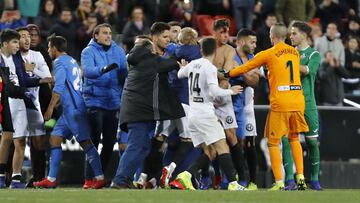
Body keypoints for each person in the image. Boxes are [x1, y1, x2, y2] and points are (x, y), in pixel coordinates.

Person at [224, 23, 309, 190]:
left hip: (281, 101)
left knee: (272, 142)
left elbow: (245, 67)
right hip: (298, 100)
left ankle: (279, 182)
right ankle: (300, 178)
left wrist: (228, 73)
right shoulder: (295, 53)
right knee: (294, 138)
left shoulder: (268, 53)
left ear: (272, 36)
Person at [169, 37, 245, 191]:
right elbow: (214, 91)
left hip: (193, 115)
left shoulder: (192, 64)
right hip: (205, 113)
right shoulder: (209, 68)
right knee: (222, 146)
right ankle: (233, 184)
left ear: (201, 50)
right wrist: (231, 91)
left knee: (211, 151)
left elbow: (179, 74)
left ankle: (184, 176)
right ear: (215, 51)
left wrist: (183, 66)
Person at [111, 38, 185, 189]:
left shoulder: (138, 60)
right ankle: (119, 179)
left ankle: (124, 179)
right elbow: (169, 63)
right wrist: (178, 59)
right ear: (148, 50)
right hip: (138, 112)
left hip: (138, 110)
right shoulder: (150, 60)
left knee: (143, 147)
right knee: (136, 145)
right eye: (153, 49)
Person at [33, 35, 105, 189]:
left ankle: (99, 177)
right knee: (54, 138)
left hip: (74, 110)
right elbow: (67, 85)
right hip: (69, 109)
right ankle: (51, 179)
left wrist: (51, 107)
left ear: (54, 48)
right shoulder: (71, 60)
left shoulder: (59, 62)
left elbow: (59, 87)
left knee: (86, 144)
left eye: (49, 47)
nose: (48, 50)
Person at [81, 23, 127, 189]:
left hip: (113, 102)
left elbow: (125, 74)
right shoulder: (88, 51)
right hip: (95, 101)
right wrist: (104, 69)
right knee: (93, 141)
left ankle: (99, 177)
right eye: (105, 33)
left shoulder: (119, 51)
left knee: (108, 143)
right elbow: (87, 71)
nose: (108, 36)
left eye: (109, 33)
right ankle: (88, 179)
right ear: (96, 36)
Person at [0, 29, 48, 189]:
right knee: (6, 139)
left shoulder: (17, 57)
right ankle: (1, 176)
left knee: (20, 141)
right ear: (5, 43)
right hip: (4, 101)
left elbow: (23, 80)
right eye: (15, 41)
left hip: (19, 102)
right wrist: (24, 91)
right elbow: (7, 85)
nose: (18, 44)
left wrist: (42, 80)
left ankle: (15, 178)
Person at [286, 21, 322, 190]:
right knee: (288, 141)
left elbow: (308, 70)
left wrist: (288, 62)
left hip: (308, 104)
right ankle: (289, 180)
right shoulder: (288, 52)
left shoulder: (314, 54)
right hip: (290, 103)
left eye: (294, 33)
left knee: (312, 143)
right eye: (290, 33)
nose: (290, 36)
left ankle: (314, 180)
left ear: (304, 35)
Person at [212, 18, 247, 187]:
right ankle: (210, 178)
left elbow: (226, 74)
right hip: (207, 99)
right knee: (210, 142)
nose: (226, 36)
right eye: (222, 32)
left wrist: (210, 71)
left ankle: (242, 177)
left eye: (227, 32)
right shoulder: (205, 45)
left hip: (224, 97)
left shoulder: (230, 50)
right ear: (214, 32)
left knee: (232, 136)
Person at [17, 27, 52, 187]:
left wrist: (33, 70)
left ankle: (39, 178)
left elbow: (48, 77)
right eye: (23, 36)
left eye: (28, 36)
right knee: (14, 142)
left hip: (33, 105)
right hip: (14, 104)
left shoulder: (37, 55)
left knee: (38, 143)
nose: (27, 39)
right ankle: (10, 177)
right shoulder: (10, 56)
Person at [232, 28, 260, 190]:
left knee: (249, 142)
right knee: (232, 142)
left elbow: (254, 81)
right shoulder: (230, 55)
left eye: (255, 42)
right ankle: (234, 177)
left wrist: (239, 71)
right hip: (230, 103)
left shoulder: (253, 58)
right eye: (252, 42)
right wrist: (246, 73)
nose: (255, 45)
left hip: (247, 106)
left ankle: (252, 182)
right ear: (241, 41)